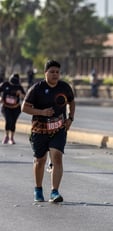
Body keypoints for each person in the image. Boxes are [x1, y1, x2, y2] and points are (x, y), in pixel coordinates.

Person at [21, 60, 75, 203]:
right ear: (45, 73)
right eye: (52, 72)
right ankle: (38, 189)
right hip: (39, 130)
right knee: (40, 160)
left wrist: (70, 118)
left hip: (58, 129)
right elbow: (24, 108)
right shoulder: (36, 88)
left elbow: (71, 101)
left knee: (57, 157)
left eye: (57, 72)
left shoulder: (64, 87)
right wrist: (42, 112)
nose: (55, 75)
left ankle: (54, 191)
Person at [0, 73, 26, 144]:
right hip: (6, 107)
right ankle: (6, 136)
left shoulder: (19, 87)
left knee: (13, 122)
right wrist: (1, 98)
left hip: (16, 107)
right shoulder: (5, 85)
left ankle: (11, 138)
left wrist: (20, 94)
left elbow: (25, 97)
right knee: (8, 120)